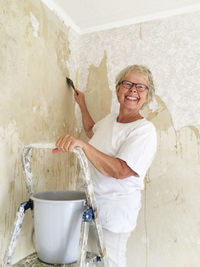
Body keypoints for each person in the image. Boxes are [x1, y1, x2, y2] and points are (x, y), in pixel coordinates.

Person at [54, 65, 157, 267]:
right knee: (89, 261)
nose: (133, 90)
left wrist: (81, 145)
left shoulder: (144, 131)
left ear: (148, 96)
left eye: (141, 87)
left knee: (110, 263)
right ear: (118, 89)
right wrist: (81, 104)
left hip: (115, 212)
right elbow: (93, 131)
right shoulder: (110, 120)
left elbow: (120, 171)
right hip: (91, 205)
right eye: (127, 84)